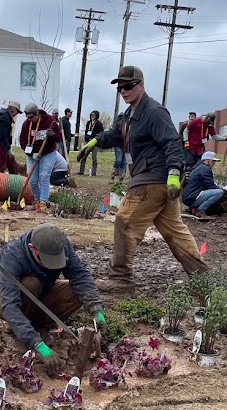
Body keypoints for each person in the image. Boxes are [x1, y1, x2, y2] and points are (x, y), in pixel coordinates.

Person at [76, 65, 207, 294]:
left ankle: (120, 278)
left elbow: (172, 143)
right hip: (154, 180)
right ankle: (204, 278)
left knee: (125, 221)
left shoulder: (154, 112)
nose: (124, 91)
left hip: (153, 179)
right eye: (120, 88)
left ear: (141, 85)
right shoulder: (129, 115)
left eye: (128, 86)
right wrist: (96, 141)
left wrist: (175, 173)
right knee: (175, 231)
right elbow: (116, 134)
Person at [0, 224, 106, 375]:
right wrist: (37, 345)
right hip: (3, 302)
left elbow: (80, 276)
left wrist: (97, 311)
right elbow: (9, 305)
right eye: (46, 260)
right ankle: (20, 331)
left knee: (75, 291)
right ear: (32, 248)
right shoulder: (12, 254)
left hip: (41, 292)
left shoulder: (60, 244)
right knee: (31, 284)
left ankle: (40, 326)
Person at [19, 103, 61, 210]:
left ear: (37, 113)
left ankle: (43, 202)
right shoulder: (26, 124)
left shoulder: (50, 121)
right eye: (27, 117)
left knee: (44, 177)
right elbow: (23, 142)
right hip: (32, 154)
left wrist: (52, 135)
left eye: (31, 117)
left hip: (48, 153)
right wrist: (31, 154)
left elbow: (59, 137)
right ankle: (37, 200)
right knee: (32, 180)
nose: (29, 119)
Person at [0, 101, 21, 173]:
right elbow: (2, 136)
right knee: (0, 167)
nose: (17, 114)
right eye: (17, 112)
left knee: (11, 163)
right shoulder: (5, 119)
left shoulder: (2, 116)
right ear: (14, 109)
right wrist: (8, 148)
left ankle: (15, 179)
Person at [78, 110, 104, 176]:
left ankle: (93, 172)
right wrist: (86, 138)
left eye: (94, 115)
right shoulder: (88, 123)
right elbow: (86, 131)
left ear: (96, 116)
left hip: (95, 142)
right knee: (84, 156)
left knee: (94, 158)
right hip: (88, 142)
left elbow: (101, 133)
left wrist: (97, 139)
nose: (92, 116)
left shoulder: (99, 124)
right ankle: (81, 170)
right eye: (91, 115)